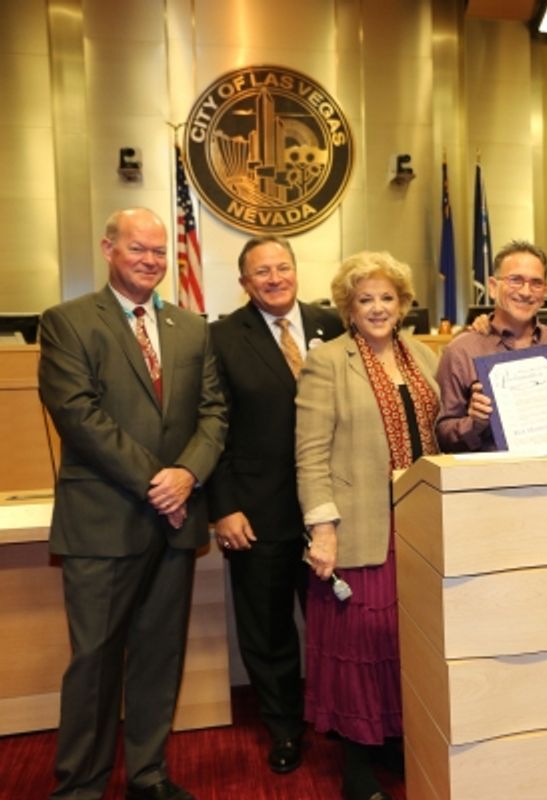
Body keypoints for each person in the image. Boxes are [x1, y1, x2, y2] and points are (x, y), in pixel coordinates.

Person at [38, 207, 226, 800]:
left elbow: (214, 414)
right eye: (136, 248)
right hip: (103, 524)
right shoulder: (67, 322)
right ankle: (81, 787)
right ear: (108, 249)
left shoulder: (191, 327)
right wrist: (161, 483)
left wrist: (188, 474)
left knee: (157, 654)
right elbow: (79, 416)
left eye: (158, 250)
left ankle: (148, 775)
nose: (149, 260)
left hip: (173, 526)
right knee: (94, 663)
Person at [295, 251, 441, 800]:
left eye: (387, 298)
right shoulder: (328, 362)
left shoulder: (425, 358)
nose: (377, 308)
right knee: (361, 646)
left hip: (419, 528)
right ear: (347, 309)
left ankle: (395, 741)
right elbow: (309, 455)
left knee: (409, 646)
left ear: (403, 305)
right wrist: (322, 529)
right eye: (365, 299)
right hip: (359, 530)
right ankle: (357, 769)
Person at [208, 235, 344, 774]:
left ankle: (340, 720)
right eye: (260, 271)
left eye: (282, 267)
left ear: (295, 271)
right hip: (256, 514)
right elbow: (210, 427)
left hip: (329, 509)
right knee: (268, 632)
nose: (274, 277)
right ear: (244, 283)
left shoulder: (331, 325)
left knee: (337, 624)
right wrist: (223, 507)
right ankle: (285, 728)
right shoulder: (219, 338)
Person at [436, 240, 547, 452]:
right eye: (515, 280)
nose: (526, 291)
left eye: (536, 283)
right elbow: (441, 434)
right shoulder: (461, 351)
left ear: (544, 293)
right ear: (493, 287)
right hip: (490, 479)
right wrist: (473, 423)